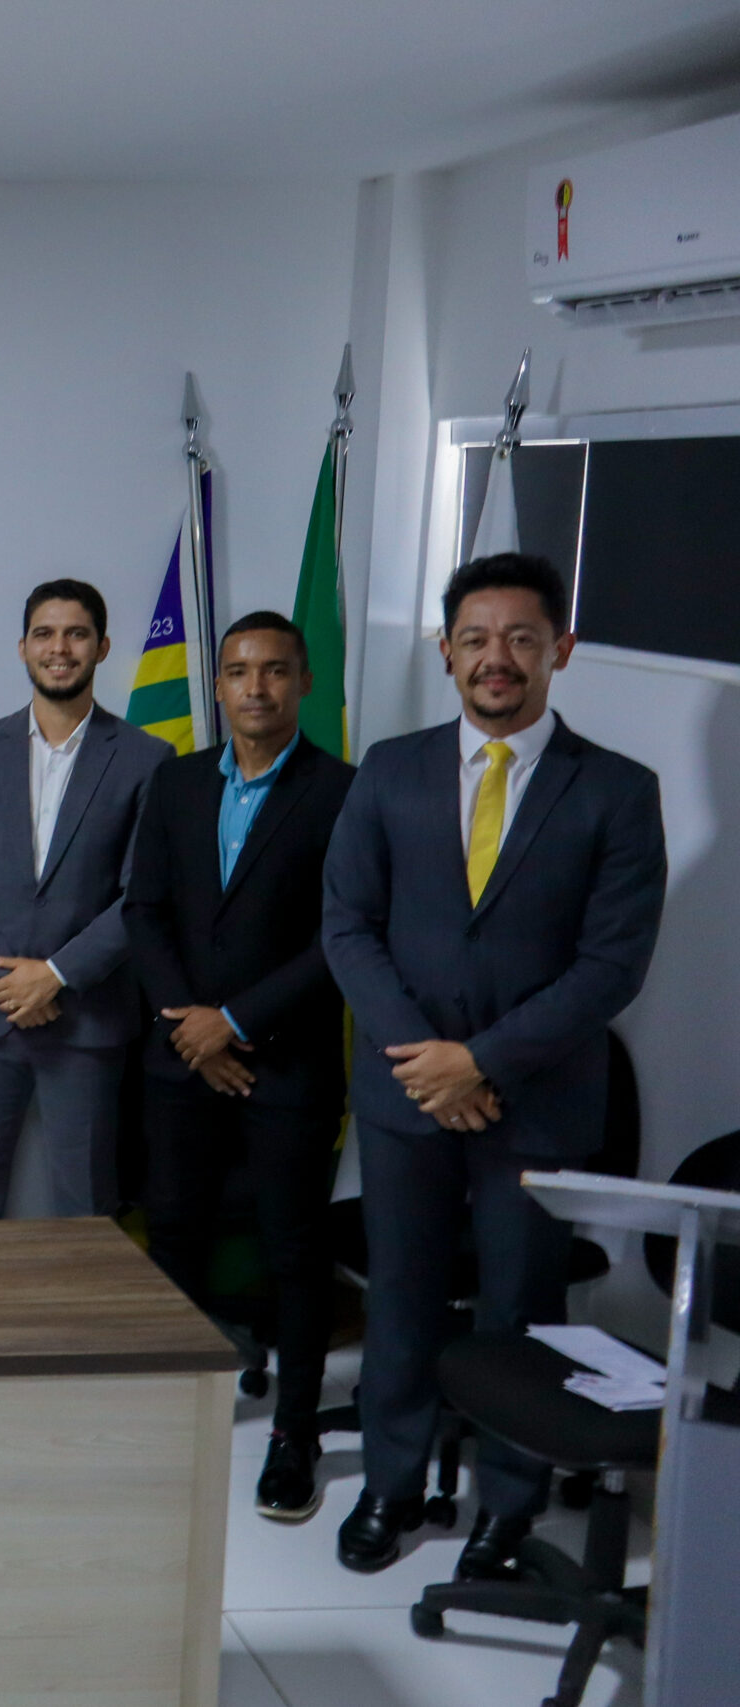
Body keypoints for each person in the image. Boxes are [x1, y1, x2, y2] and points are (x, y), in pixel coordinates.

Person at [323, 553, 666, 1577]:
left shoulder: (617, 790)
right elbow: (347, 925)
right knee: (403, 1297)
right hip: (406, 1096)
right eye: (475, 638)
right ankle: (391, 1485)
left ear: (561, 649)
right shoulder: (390, 770)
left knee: (522, 1309)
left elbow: (610, 966)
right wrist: (425, 1064)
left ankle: (508, 1505)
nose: (496, 658)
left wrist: (479, 1063)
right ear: (445, 652)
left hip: (535, 1100)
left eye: (521, 638)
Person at [124, 611, 356, 1524]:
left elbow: (340, 934)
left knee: (294, 1253)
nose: (255, 688)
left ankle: (294, 1435)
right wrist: (193, 1027)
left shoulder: (343, 791)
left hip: (286, 1065)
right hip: (182, 1055)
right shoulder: (177, 780)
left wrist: (236, 1023)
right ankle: (170, 1411)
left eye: (274, 671)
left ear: (303, 682)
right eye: (238, 671)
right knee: (174, 1236)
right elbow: (145, 911)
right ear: (216, 684)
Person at [0, 578, 172, 1221]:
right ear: (23, 647)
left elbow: (141, 894)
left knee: (85, 1202)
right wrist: (7, 982)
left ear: (102, 647)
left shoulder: (149, 759)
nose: (59, 648)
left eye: (76, 634)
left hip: (88, 1015)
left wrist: (57, 975)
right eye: (44, 634)